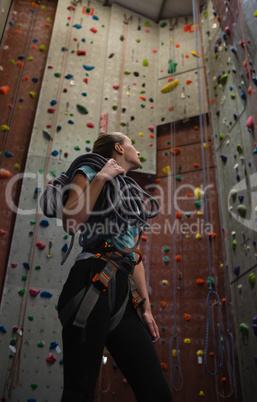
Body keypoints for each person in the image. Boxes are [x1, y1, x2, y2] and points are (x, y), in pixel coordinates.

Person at [58, 132, 172, 402]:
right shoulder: (89, 170)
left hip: (122, 292)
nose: (138, 150)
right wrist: (100, 177)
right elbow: (71, 222)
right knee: (79, 390)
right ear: (119, 148)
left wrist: (145, 307)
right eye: (132, 144)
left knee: (157, 393)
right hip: (91, 278)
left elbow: (133, 254)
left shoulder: (128, 193)